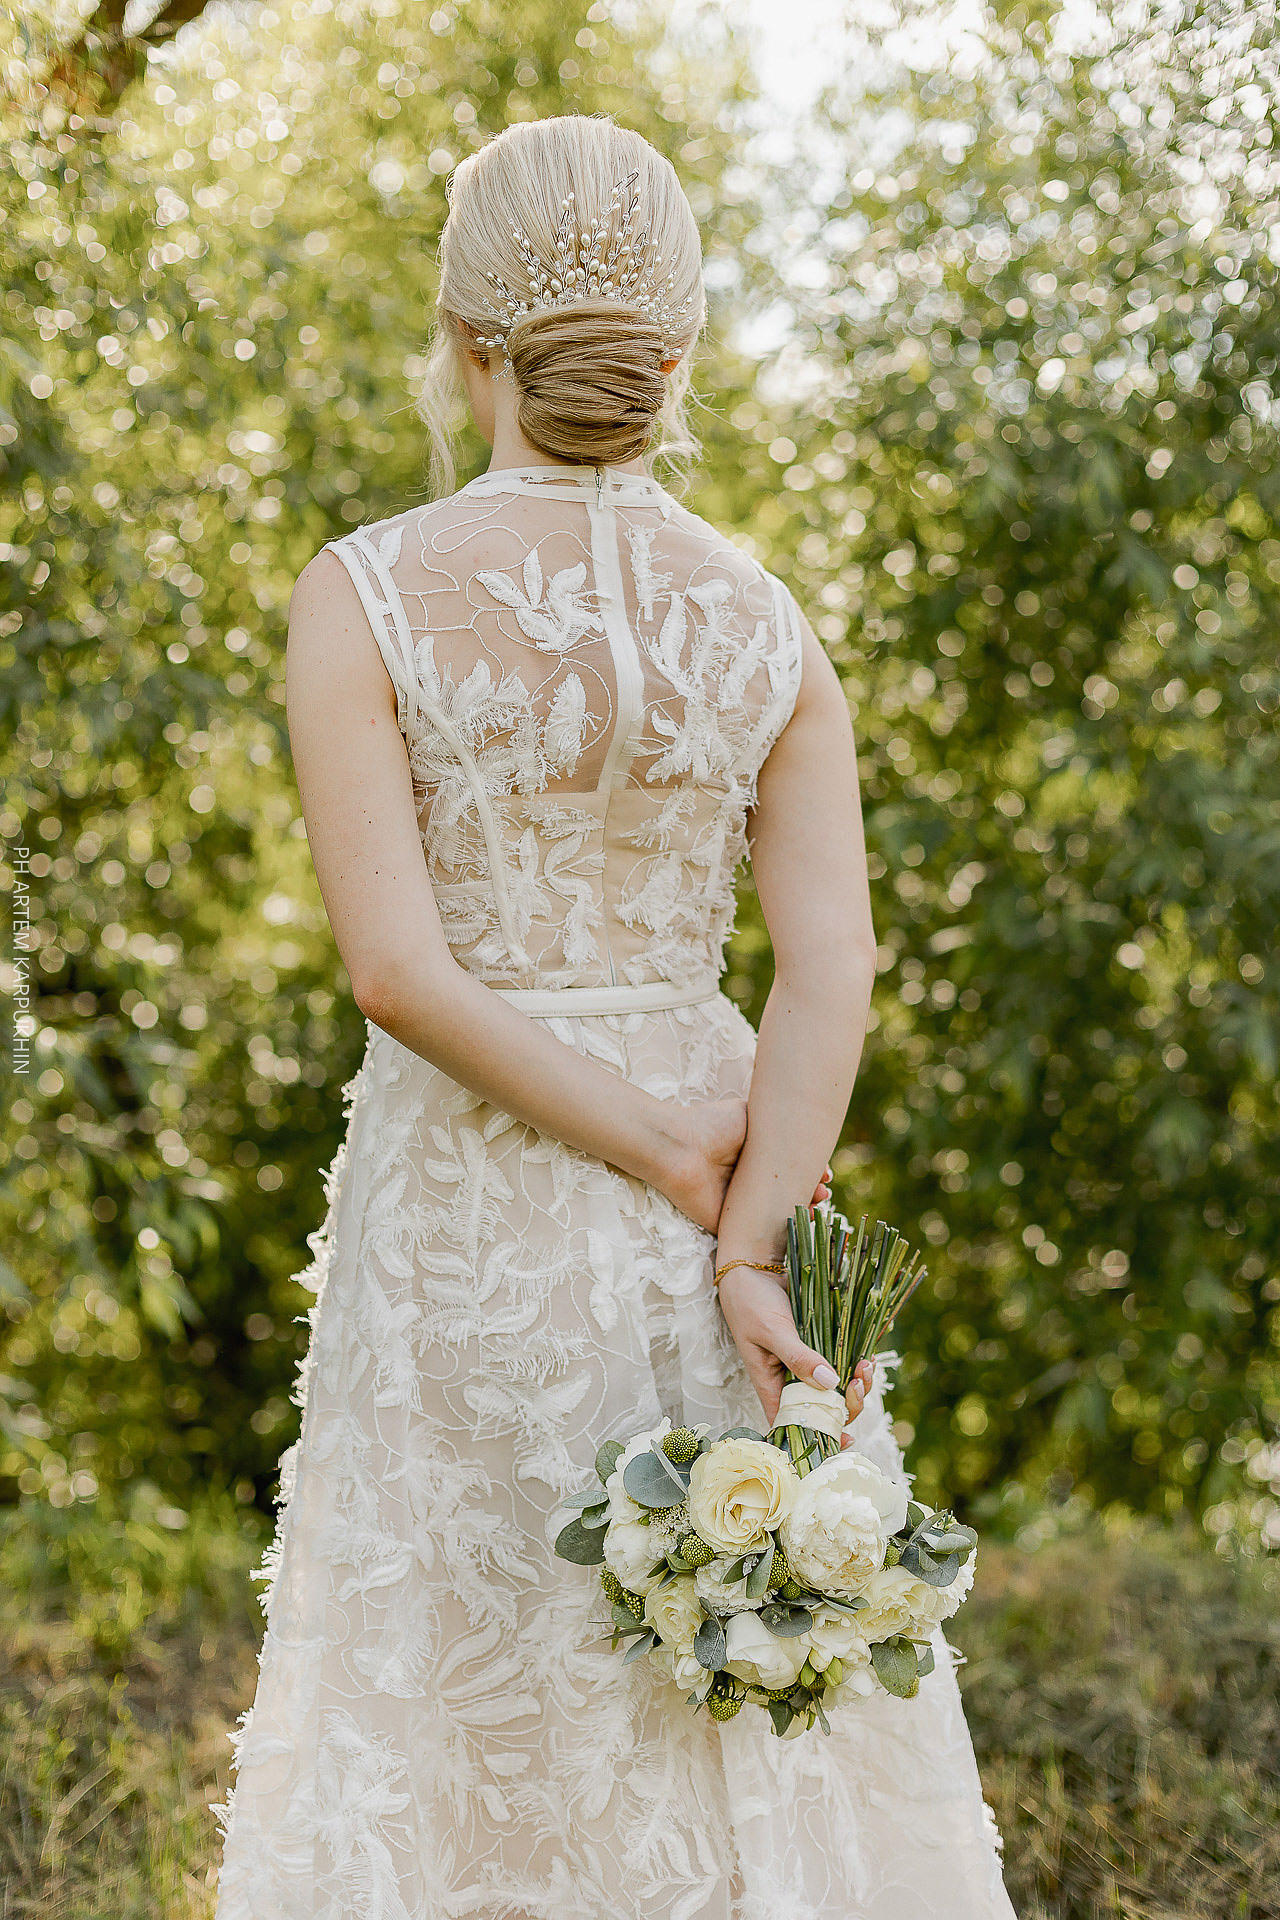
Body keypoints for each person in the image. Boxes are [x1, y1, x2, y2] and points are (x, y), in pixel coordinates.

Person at [213, 114, 1014, 1920]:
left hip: (476, 1191)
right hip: (731, 1176)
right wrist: (744, 1238)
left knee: (468, 1669)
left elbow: (399, 975)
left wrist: (659, 1154)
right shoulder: (768, 622)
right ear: (683, 345)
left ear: (461, 333)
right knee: (729, 1672)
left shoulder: (364, 595)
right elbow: (838, 964)